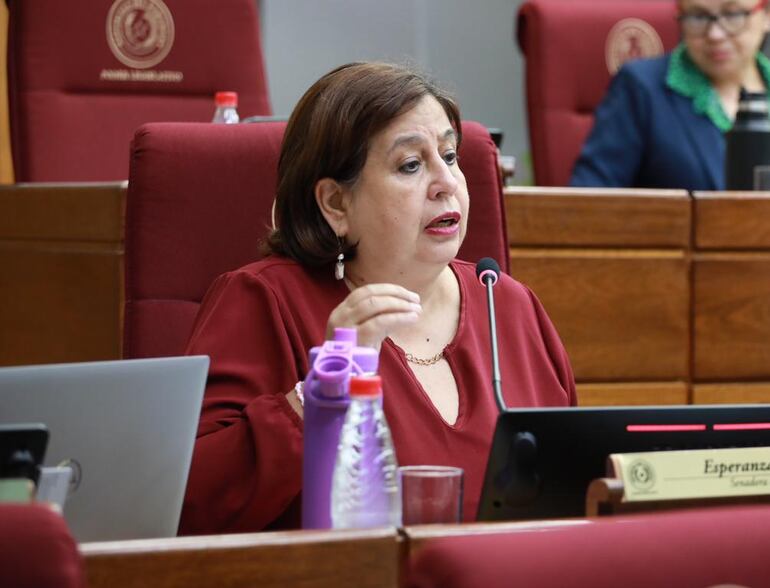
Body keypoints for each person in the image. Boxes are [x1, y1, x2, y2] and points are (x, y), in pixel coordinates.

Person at [179, 62, 577, 535]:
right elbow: (192, 505)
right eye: (411, 165)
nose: (447, 182)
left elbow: (574, 488)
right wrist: (322, 392)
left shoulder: (507, 303)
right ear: (336, 204)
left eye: (450, 156)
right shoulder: (266, 301)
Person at [571, 0, 770, 190]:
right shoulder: (640, 87)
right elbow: (590, 196)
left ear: (766, 14)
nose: (715, 34)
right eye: (697, 17)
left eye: (733, 14)